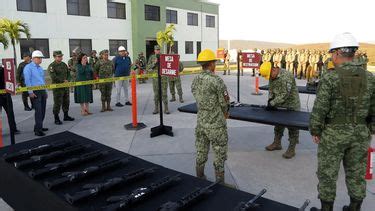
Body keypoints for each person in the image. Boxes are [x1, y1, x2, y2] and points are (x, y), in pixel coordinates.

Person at [309, 33, 374, 211]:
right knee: (357, 173)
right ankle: (355, 208)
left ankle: (326, 209)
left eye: (332, 54)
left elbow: (320, 108)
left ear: (337, 53)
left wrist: (315, 130)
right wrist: (370, 129)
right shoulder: (370, 77)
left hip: (333, 134)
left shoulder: (330, 77)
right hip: (361, 133)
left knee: (328, 173)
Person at [192, 49, 230, 184]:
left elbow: (195, 95)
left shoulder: (196, 79)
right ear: (211, 64)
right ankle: (220, 184)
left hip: (201, 123)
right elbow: (224, 102)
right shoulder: (216, 80)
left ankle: (200, 178)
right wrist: (225, 113)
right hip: (216, 125)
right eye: (214, 62)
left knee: (201, 151)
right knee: (219, 153)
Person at [259, 61, 301, 159]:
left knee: (293, 128)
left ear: (274, 69)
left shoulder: (286, 76)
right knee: (278, 125)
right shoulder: (272, 75)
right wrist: (270, 101)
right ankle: (277, 143)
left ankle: (292, 149)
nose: (269, 78)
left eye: (270, 75)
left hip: (291, 105)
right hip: (279, 105)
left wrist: (273, 103)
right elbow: (271, 90)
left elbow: (284, 94)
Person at [23, 50, 48, 136]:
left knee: (43, 110)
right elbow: (27, 81)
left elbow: (42, 81)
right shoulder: (28, 68)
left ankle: (39, 126)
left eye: (41, 58)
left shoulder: (40, 68)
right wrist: (30, 92)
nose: (41, 60)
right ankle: (38, 130)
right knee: (38, 111)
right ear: (34, 58)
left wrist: (45, 91)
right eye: (39, 58)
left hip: (42, 91)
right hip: (35, 92)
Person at [48, 50, 75, 125]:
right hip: (57, 88)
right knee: (57, 103)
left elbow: (68, 73)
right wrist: (63, 81)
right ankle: (56, 118)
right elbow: (53, 77)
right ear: (54, 57)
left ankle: (66, 116)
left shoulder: (64, 64)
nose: (60, 57)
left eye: (61, 56)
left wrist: (68, 80)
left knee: (66, 102)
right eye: (59, 56)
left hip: (65, 87)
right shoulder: (52, 66)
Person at [147, 45, 170, 114]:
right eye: (156, 50)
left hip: (163, 78)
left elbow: (168, 65)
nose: (158, 51)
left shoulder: (163, 56)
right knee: (156, 94)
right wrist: (154, 63)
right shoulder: (152, 57)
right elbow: (148, 68)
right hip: (155, 79)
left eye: (159, 49)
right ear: (154, 50)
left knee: (164, 94)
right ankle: (156, 108)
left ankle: (166, 108)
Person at [0, 63, 20, 135]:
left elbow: (9, 80)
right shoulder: (4, 70)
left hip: (6, 94)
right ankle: (13, 129)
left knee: (10, 113)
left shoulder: (4, 70)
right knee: (10, 113)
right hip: (5, 94)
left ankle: (13, 129)